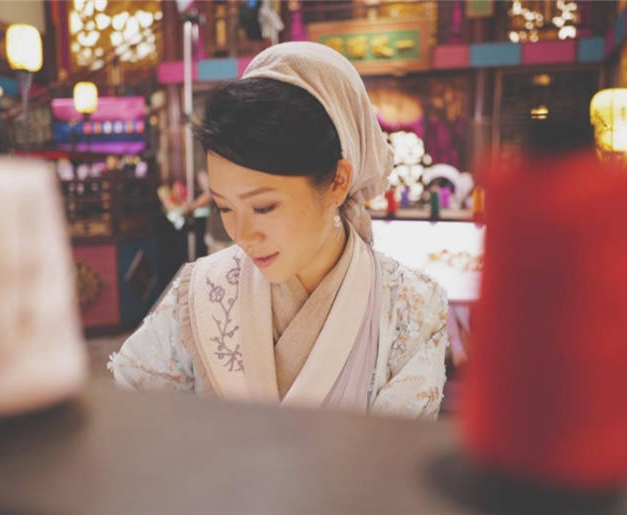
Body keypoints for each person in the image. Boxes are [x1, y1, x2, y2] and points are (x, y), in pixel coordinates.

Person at [108, 42, 449, 419]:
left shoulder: (410, 309)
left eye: (263, 207)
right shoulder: (200, 291)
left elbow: (396, 454)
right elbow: (131, 414)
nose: (242, 235)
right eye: (224, 207)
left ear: (337, 181)